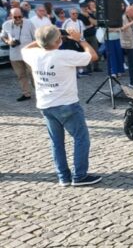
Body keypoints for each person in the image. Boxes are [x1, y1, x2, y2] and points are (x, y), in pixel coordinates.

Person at [21, 25, 101, 186]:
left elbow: (25, 48)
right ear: (59, 41)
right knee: (81, 138)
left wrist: (43, 39)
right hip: (67, 104)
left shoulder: (34, 54)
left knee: (56, 142)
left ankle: (63, 176)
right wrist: (81, 40)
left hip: (46, 105)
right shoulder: (65, 55)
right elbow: (93, 56)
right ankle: (80, 176)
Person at [1, 8, 36, 101]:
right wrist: (8, 41)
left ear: (22, 15)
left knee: (34, 74)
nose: (17, 19)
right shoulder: (6, 24)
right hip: (15, 55)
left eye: (19, 16)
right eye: (15, 17)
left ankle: (39, 91)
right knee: (21, 75)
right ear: (10, 16)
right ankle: (26, 94)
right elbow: (2, 36)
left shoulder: (29, 23)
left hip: (29, 54)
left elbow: (35, 38)